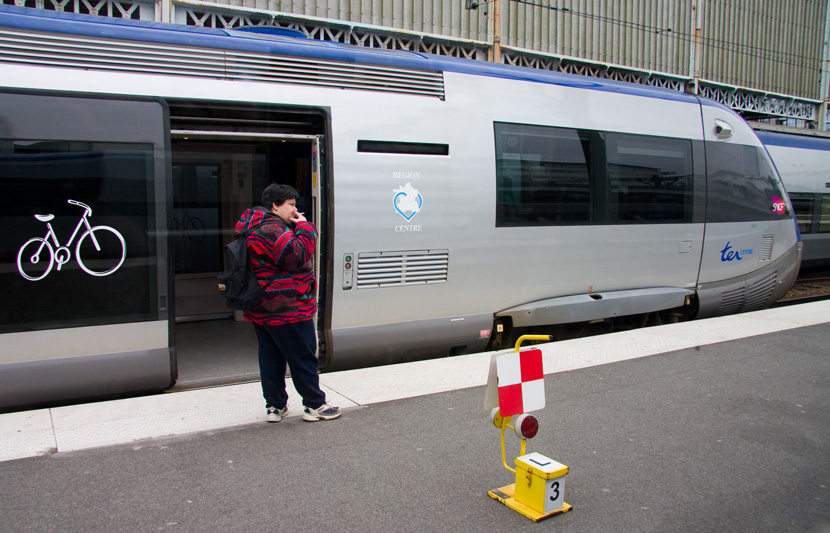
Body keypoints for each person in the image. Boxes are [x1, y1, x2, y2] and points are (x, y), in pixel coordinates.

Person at [234, 183, 341, 423]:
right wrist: (304, 226)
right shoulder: (272, 228)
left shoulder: (252, 226)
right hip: (287, 307)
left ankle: (275, 406)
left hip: (262, 307)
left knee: (271, 357)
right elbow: (298, 255)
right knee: (302, 356)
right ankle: (314, 405)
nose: (294, 210)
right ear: (275, 205)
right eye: (291, 205)